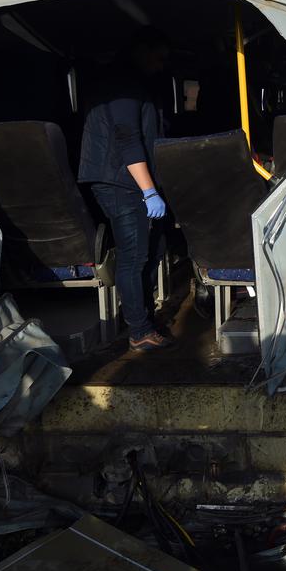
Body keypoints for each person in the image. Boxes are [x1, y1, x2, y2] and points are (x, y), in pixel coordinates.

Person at [78, 28, 175, 352]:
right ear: (141, 50)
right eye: (159, 57)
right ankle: (139, 331)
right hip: (120, 182)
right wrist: (148, 191)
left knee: (154, 250)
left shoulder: (129, 82)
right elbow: (127, 138)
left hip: (126, 180)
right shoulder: (123, 86)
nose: (162, 66)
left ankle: (141, 315)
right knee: (134, 257)